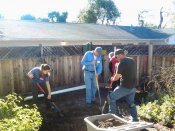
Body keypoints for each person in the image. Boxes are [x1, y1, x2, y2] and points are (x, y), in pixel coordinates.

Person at [108, 49, 139, 122]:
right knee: (131, 103)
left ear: (119, 55)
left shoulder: (121, 63)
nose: (116, 58)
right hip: (133, 87)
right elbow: (127, 72)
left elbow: (117, 77)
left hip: (125, 87)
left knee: (111, 97)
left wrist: (112, 79)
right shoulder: (132, 60)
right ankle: (135, 119)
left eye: (116, 56)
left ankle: (113, 117)